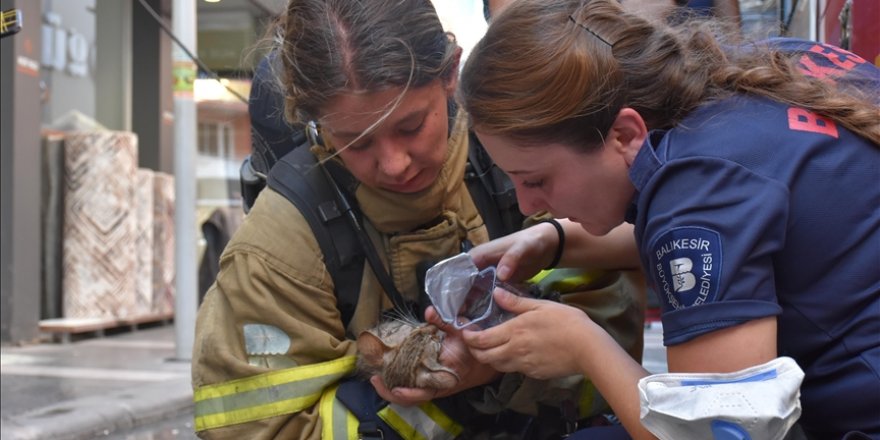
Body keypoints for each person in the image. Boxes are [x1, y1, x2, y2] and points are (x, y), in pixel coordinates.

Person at [190, 0, 646, 438]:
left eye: (410, 127)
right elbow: (256, 429)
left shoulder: (524, 166)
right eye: (357, 142)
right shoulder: (276, 252)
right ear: (315, 122)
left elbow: (615, 343)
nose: (393, 164)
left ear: (451, 74)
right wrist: (443, 392)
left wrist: (505, 361)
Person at [450, 0, 880, 439]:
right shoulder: (757, 72)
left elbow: (719, 432)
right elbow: (734, 238)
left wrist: (582, 344)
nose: (526, 205)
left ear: (624, 134)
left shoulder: (695, 189)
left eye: (536, 180)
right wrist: (555, 239)